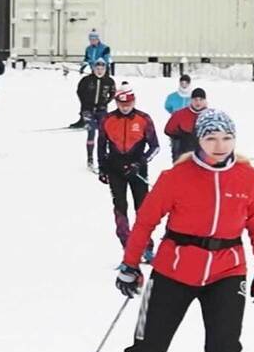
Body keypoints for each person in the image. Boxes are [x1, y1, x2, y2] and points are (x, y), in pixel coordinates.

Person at [79, 108, 254, 352]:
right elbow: (145, 222)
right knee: (146, 351)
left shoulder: (250, 178)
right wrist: (130, 264)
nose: (219, 146)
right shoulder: (176, 176)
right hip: (173, 270)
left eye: (226, 138)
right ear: (198, 139)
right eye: (211, 138)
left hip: (227, 271)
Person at [97, 83, 159, 259]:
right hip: (115, 169)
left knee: (143, 209)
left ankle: (147, 247)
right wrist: (102, 168)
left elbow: (155, 146)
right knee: (120, 208)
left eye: (129, 103)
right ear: (116, 103)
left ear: (134, 101)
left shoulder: (144, 119)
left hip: (137, 170)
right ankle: (127, 249)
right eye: (121, 103)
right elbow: (101, 146)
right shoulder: (107, 119)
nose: (125, 107)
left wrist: (140, 163)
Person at [78, 58, 117, 170]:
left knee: (104, 134)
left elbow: (113, 93)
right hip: (88, 110)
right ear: (93, 68)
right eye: (97, 68)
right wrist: (85, 104)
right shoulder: (86, 80)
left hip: (102, 110)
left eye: (102, 69)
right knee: (91, 132)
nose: (99, 71)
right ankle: (90, 158)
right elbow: (80, 92)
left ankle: (104, 157)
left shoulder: (109, 81)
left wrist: (105, 102)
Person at [70, 30, 113, 129]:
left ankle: (101, 119)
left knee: (100, 97)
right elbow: (86, 59)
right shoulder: (88, 48)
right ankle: (83, 119)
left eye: (94, 39)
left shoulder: (105, 48)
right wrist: (83, 66)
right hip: (93, 73)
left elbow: (106, 60)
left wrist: (104, 72)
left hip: (102, 72)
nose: (92, 41)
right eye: (91, 39)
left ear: (98, 39)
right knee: (88, 97)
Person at [163, 87, 207, 162]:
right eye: (195, 100)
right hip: (182, 154)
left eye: (201, 100)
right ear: (191, 100)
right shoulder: (179, 114)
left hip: (204, 155)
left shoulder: (210, 115)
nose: (198, 102)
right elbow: (168, 130)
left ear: (205, 101)